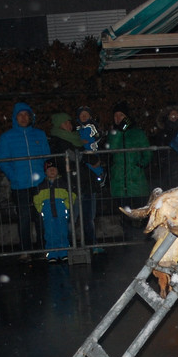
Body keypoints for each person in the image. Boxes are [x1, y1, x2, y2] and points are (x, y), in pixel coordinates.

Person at [0, 102, 50, 260]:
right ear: (15, 117)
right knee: (24, 218)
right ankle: (25, 250)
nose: (24, 118)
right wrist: (14, 177)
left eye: (26, 115)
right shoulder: (7, 137)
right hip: (19, 185)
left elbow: (47, 157)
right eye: (20, 115)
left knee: (41, 217)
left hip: (39, 183)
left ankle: (42, 248)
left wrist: (44, 175)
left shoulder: (39, 134)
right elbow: (3, 161)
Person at [33, 159, 77, 262]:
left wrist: (66, 206)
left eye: (54, 169)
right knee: (50, 233)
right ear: (45, 172)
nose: (52, 171)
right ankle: (51, 253)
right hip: (48, 213)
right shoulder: (41, 186)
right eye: (49, 169)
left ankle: (64, 252)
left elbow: (72, 195)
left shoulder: (64, 183)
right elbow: (36, 199)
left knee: (63, 232)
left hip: (61, 212)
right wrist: (41, 209)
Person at [106, 101, 151, 202]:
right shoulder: (112, 134)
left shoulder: (138, 133)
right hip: (118, 182)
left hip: (136, 182)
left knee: (138, 208)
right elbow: (111, 149)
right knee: (120, 209)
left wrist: (139, 166)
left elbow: (147, 153)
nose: (118, 118)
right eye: (115, 115)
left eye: (121, 115)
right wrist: (119, 132)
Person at [75, 106, 104, 249]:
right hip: (84, 165)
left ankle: (91, 242)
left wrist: (90, 141)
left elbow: (99, 137)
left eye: (86, 114)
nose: (84, 117)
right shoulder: (77, 129)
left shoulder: (92, 127)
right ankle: (89, 242)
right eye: (82, 115)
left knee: (89, 212)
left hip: (91, 157)